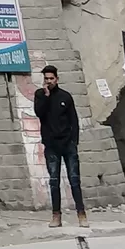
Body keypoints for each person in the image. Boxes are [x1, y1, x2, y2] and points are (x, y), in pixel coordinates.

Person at [32, 64, 86, 227]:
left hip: (67, 144)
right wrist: (46, 97)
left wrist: (74, 142)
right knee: (54, 181)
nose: (48, 82)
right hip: (51, 145)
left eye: (51, 79)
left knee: (74, 180)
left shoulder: (65, 97)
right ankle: (56, 216)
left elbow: (74, 121)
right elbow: (39, 113)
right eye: (46, 79)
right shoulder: (40, 95)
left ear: (57, 79)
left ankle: (81, 214)